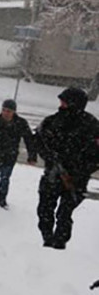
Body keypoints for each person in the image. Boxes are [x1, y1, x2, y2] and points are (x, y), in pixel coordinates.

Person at [34, 87, 99, 249]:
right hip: (53, 175)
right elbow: (39, 141)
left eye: (64, 102)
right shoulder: (52, 121)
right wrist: (49, 158)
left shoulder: (91, 125)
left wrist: (80, 171)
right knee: (44, 210)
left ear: (74, 104)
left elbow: (96, 155)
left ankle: (59, 244)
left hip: (76, 179)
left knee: (64, 213)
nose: (61, 105)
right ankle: (47, 240)